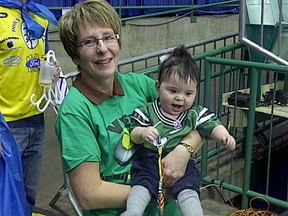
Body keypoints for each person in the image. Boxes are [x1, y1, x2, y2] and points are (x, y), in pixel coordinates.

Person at [55, 0, 204, 215]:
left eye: (108, 37)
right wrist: (162, 190)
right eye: (89, 42)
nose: (102, 48)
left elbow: (199, 120)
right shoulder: (75, 111)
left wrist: (184, 150)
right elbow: (89, 194)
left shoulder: (140, 85)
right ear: (74, 55)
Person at [121, 45, 236, 216]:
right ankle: (132, 212)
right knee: (141, 186)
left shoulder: (193, 113)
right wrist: (142, 133)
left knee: (189, 187)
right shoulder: (149, 111)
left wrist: (223, 135)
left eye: (188, 93)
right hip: (149, 160)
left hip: (183, 164)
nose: (180, 98)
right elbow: (133, 133)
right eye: (172, 91)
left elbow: (211, 124)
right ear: (158, 87)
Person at [0, 0, 58, 212]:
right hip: (6, 126)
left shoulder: (39, 16)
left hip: (36, 120)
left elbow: (44, 58)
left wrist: (52, 72)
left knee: (28, 194)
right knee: (4, 195)